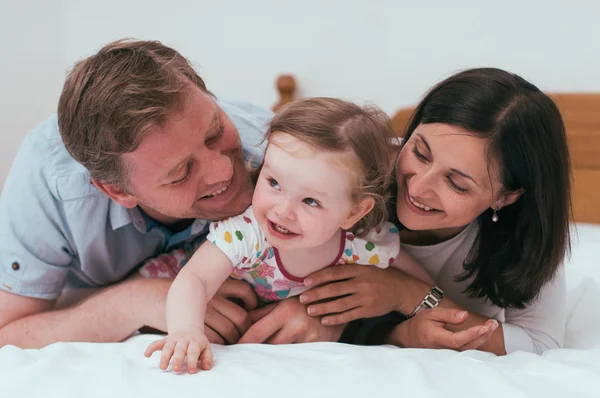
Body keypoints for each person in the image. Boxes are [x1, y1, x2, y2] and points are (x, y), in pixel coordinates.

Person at [0, 39, 274, 347]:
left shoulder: (273, 145)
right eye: (181, 173)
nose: (224, 170)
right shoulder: (49, 185)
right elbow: (7, 332)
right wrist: (137, 300)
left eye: (215, 133)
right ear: (116, 190)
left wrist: (316, 311)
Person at [142, 97, 434, 373]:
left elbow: (416, 279)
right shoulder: (247, 233)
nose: (283, 211)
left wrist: (434, 307)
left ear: (352, 213)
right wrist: (186, 330)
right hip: (180, 278)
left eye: (310, 201)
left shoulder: (363, 245)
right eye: (273, 182)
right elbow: (195, 279)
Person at [297, 68, 571, 355]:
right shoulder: (354, 172)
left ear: (506, 197)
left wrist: (408, 294)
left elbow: (541, 345)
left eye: (456, 183)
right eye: (420, 153)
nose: (418, 188)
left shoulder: (528, 238)